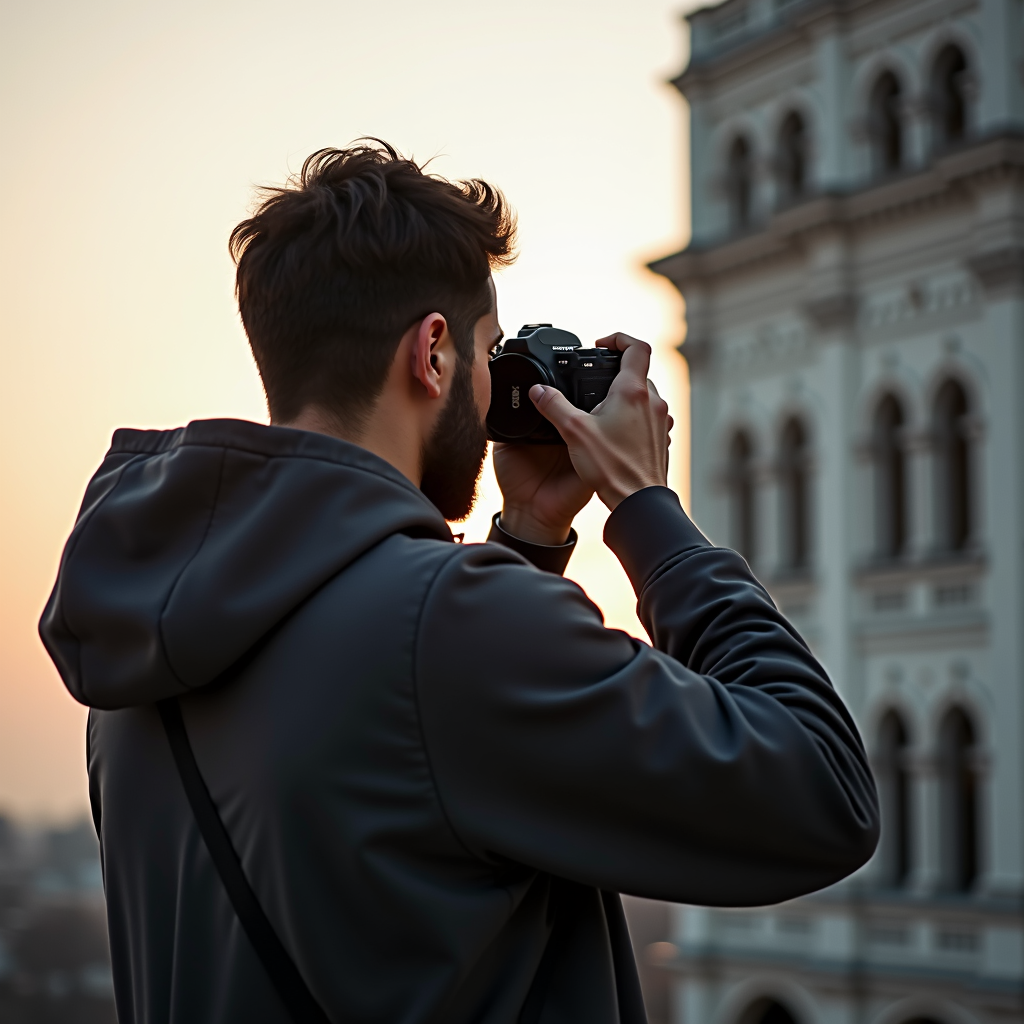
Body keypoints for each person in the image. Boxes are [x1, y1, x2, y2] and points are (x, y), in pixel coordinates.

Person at [40, 142, 878, 1024]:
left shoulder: (137, 662)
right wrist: (647, 508)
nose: (495, 392)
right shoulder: (448, 627)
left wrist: (527, 538)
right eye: (491, 354)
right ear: (432, 354)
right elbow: (823, 792)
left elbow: (407, 838)